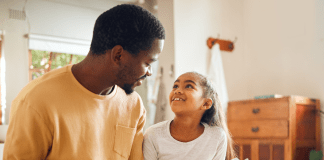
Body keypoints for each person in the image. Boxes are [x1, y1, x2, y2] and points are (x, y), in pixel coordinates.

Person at [4, 4, 165, 160]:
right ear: (118, 56)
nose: (149, 72)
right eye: (148, 63)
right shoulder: (35, 101)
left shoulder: (134, 105)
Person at [143, 72, 236, 160]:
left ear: (206, 103)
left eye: (188, 86)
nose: (177, 91)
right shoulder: (153, 134)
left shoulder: (217, 136)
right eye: (175, 86)